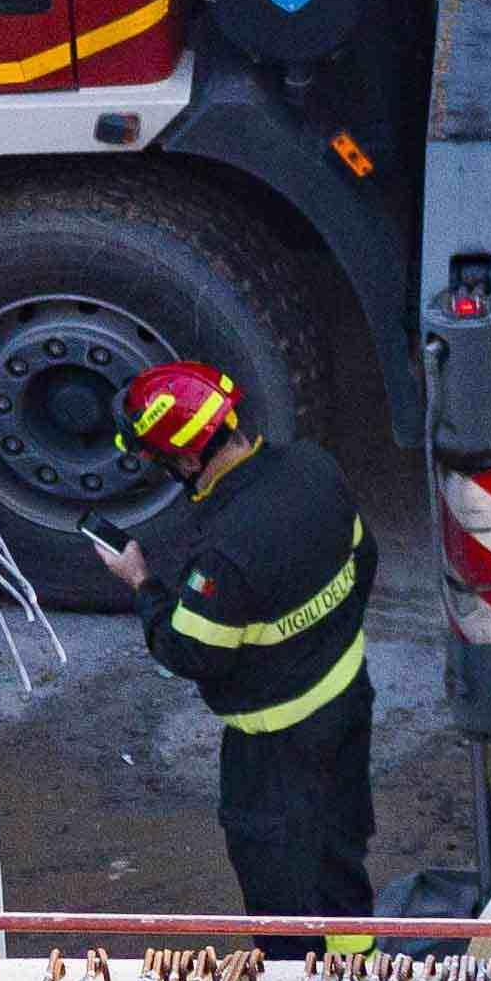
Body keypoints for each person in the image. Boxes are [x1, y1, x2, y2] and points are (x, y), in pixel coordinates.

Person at [93, 362, 376, 943]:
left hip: (274, 753)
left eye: (159, 458)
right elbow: (362, 560)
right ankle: (361, 978)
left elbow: (189, 652)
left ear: (190, 461)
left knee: (279, 898)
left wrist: (142, 582)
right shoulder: (314, 468)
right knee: (339, 861)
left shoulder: (224, 555)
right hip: (347, 702)